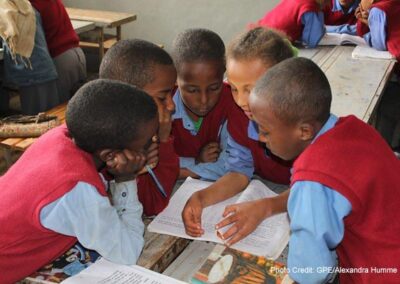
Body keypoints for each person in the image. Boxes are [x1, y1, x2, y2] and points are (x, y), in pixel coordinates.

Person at [249, 57, 400, 283]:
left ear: (304, 131)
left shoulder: (312, 180)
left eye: (265, 131)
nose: (260, 138)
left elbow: (312, 269)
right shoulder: (355, 127)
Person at [0, 79, 158, 282]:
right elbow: (127, 252)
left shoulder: (59, 136)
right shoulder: (77, 188)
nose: (153, 144)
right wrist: (126, 178)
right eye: (146, 143)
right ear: (110, 156)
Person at [182, 27, 294, 245]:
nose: (241, 100)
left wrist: (267, 207)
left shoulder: (301, 119)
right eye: (234, 88)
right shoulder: (239, 113)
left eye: (251, 90)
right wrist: (201, 198)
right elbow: (239, 171)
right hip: (271, 191)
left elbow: (313, 186)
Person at [99, 39, 179, 216]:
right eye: (162, 97)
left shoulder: (135, 136)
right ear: (128, 97)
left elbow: (153, 203)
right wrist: (126, 176)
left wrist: (164, 140)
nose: (171, 106)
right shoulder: (96, 146)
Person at [171, 28, 237, 181]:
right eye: (192, 90)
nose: (204, 100)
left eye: (214, 88)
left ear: (224, 73)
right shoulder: (164, 106)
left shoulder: (232, 102)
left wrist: (176, 172)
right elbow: (153, 162)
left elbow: (232, 163)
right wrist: (195, 162)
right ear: (174, 78)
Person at [1, 0, 59, 114]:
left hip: (31, 73)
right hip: (44, 69)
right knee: (51, 120)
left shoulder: (3, 10)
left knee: (38, 123)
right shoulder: (24, 4)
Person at [29, 0, 87, 102]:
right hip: (76, 53)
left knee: (63, 110)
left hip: (60, 60)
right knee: (79, 108)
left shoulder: (27, 5)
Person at [248, 0, 328, 47]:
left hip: (256, 34)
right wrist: (319, 13)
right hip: (270, 42)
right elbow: (312, 41)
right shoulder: (310, 8)